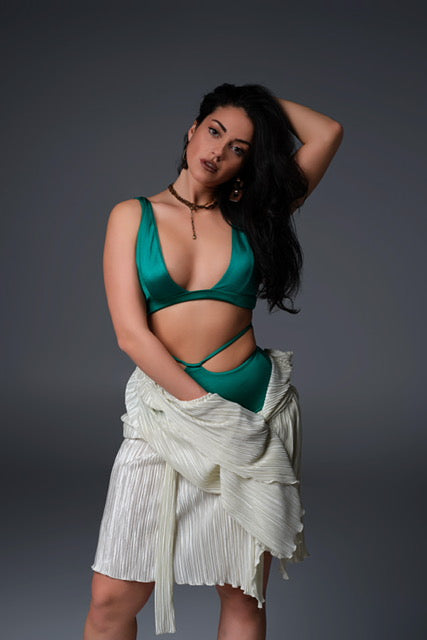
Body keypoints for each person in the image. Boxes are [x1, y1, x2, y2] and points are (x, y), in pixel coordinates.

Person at [83, 82, 343, 639]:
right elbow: (131, 335)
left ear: (247, 161)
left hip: (253, 413)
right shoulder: (132, 215)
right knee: (111, 601)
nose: (218, 151)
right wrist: (205, 408)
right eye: (214, 131)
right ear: (191, 131)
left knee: (242, 593)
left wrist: (258, 103)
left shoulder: (257, 216)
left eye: (239, 148)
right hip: (171, 413)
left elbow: (328, 133)